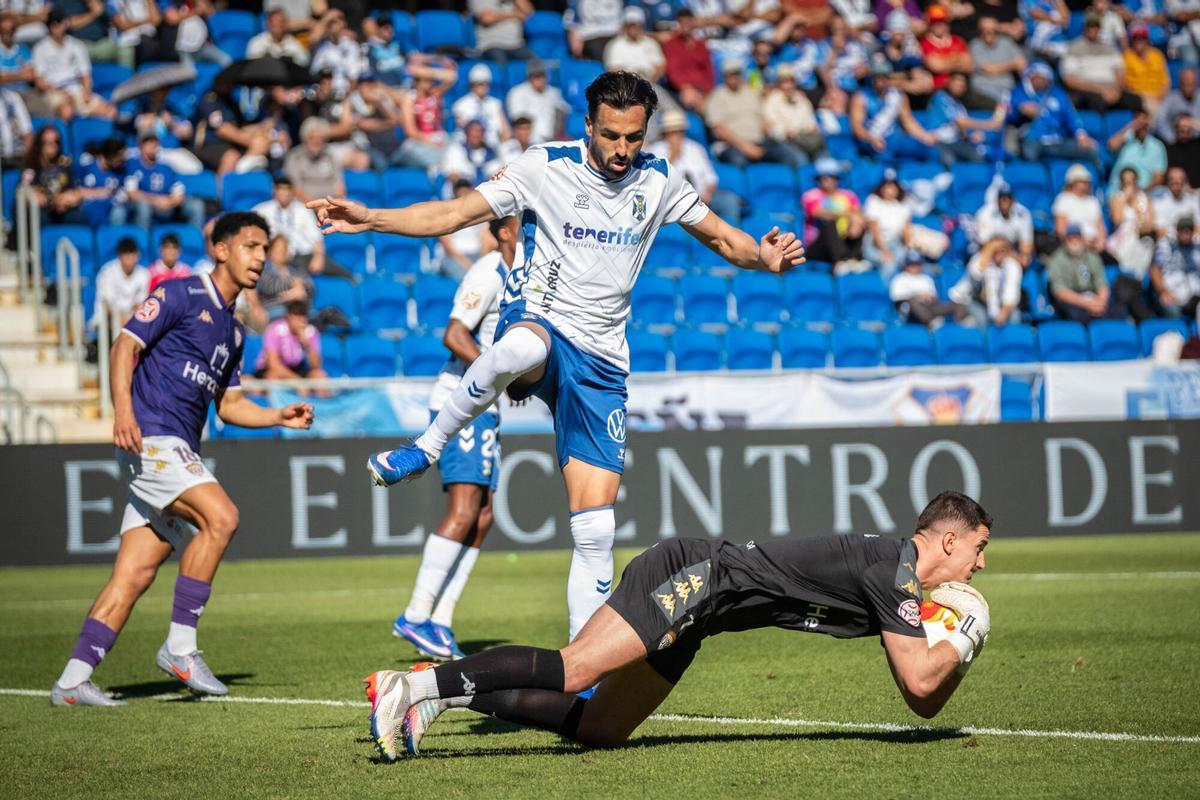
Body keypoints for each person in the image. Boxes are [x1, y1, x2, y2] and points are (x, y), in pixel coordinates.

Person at [310, 71, 805, 643]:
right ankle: (426, 447)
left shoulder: (661, 180)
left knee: (596, 530)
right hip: (543, 322)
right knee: (516, 345)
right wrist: (370, 217)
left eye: (634, 138)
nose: (623, 149)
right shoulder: (543, 166)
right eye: (612, 135)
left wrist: (764, 258)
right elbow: (453, 214)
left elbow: (723, 238)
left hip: (602, 362)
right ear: (589, 125)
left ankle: (581, 668)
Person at [363, 490, 994, 759]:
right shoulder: (895, 572)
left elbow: (926, 706)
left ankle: (441, 688)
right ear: (946, 539)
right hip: (695, 575)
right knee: (576, 668)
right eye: (977, 548)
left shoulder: (902, 578)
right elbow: (918, 685)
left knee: (603, 728)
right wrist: (964, 637)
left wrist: (961, 648)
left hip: (705, 613)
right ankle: (411, 690)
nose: (981, 563)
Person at [49, 212, 315, 707]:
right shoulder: (178, 294)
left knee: (135, 572)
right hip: (153, 438)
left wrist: (279, 414)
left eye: (264, 248)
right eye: (251, 246)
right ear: (221, 249)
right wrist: (123, 412)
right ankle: (181, 648)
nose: (260, 258)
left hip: (177, 448)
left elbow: (229, 406)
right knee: (222, 518)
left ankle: (71, 681)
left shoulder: (234, 333)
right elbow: (123, 346)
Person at [393, 215, 520, 662]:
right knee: (465, 508)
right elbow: (454, 334)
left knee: (483, 516)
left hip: (489, 408)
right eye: (526, 222)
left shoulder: (524, 276)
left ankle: (441, 620)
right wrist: (497, 373)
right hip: (460, 400)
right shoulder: (488, 270)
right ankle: (415, 613)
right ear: (503, 230)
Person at [648, 109, 741, 224]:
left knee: (729, 200)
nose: (676, 135)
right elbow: (656, 180)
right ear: (665, 132)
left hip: (702, 198)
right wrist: (673, 155)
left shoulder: (695, 148)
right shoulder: (656, 151)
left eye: (679, 131)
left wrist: (708, 192)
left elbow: (711, 177)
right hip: (673, 200)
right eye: (672, 131)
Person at [707, 58, 804, 167]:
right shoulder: (716, 97)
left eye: (737, 74)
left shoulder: (751, 93)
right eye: (731, 74)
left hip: (759, 142)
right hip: (730, 145)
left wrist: (774, 132)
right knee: (738, 161)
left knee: (787, 155)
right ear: (725, 76)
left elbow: (764, 121)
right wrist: (745, 146)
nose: (734, 77)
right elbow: (718, 129)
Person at [1008, 61, 1103, 172]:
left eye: (1044, 77)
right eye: (1037, 76)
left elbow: (1071, 116)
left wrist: (1081, 135)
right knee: (1029, 154)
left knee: (1091, 150)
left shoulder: (1058, 94)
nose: (1041, 80)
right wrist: (1020, 110)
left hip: (1058, 140)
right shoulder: (1018, 93)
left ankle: (1101, 183)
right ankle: (1038, 182)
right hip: (1033, 140)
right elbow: (1008, 117)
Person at [253, 175, 349, 279]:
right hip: (272, 257)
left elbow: (316, 237)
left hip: (300, 256)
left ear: (293, 191)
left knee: (337, 272)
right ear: (274, 191)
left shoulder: (303, 210)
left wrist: (318, 257)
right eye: (280, 189)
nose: (284, 193)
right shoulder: (262, 210)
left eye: (287, 189)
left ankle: (355, 282)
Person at [30, 9, 115, 121]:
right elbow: (40, 82)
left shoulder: (77, 45)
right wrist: (59, 91)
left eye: (59, 22)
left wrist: (87, 92)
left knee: (110, 111)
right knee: (67, 111)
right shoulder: (40, 49)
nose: (57, 27)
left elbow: (85, 74)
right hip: (54, 92)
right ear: (49, 26)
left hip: (77, 89)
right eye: (53, 23)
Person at [850, 61, 938, 161]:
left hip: (893, 138)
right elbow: (857, 127)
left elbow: (908, 121)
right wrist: (871, 139)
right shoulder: (861, 97)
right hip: (870, 140)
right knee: (883, 154)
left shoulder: (897, 96)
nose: (880, 81)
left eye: (883, 77)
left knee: (928, 149)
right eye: (877, 77)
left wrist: (925, 136)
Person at [1060, 9, 1143, 112]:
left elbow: (1120, 73)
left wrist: (1116, 90)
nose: (1092, 29)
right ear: (1085, 27)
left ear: (1100, 28)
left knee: (1136, 100)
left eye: (1095, 25)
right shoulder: (1074, 48)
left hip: (1112, 89)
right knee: (1097, 101)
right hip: (1088, 90)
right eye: (1090, 25)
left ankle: (1136, 127)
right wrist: (1100, 89)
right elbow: (1070, 80)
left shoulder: (1110, 47)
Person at [124, 131, 205, 230]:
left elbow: (179, 192)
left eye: (154, 141)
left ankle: (194, 239)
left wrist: (171, 201)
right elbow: (132, 193)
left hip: (168, 204)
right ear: (141, 145)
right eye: (148, 142)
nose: (152, 145)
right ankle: (143, 241)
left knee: (196, 205)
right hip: (147, 204)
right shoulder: (133, 165)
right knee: (143, 207)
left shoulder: (165, 167)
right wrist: (156, 200)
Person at [926, 71, 1006, 166]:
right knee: (950, 159)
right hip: (939, 142)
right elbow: (960, 122)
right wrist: (989, 124)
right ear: (949, 83)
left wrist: (970, 136)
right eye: (956, 83)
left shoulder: (959, 105)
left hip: (956, 143)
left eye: (962, 85)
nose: (959, 87)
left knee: (983, 156)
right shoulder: (941, 97)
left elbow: (960, 130)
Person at [1047, 224, 1123, 322]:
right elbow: (1060, 292)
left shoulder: (1092, 256)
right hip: (1073, 298)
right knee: (1078, 316)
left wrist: (1101, 302)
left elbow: (1101, 283)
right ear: (1065, 240)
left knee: (1118, 311)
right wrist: (1086, 303)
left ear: (1082, 239)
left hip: (1093, 295)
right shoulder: (1057, 259)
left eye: (1077, 238)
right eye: (1070, 239)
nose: (1074, 241)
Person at [801, 157, 866, 269]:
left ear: (836, 178)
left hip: (845, 239)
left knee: (860, 223)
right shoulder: (811, 195)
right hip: (818, 246)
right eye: (823, 177)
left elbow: (859, 213)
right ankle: (840, 261)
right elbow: (817, 212)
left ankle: (854, 259)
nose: (826, 180)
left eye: (830, 177)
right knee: (830, 224)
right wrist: (848, 215)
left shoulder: (849, 195)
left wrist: (856, 223)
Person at [762, 64, 827, 165]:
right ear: (779, 83)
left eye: (790, 81)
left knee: (823, 156)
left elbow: (810, 123)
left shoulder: (802, 99)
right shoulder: (772, 100)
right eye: (784, 82)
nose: (788, 86)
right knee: (800, 159)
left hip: (804, 139)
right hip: (784, 142)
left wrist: (811, 129)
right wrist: (785, 133)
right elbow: (769, 127)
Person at [20, 124, 86, 225]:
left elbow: (73, 191)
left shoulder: (65, 163)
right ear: (40, 144)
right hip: (42, 209)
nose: (53, 146)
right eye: (48, 142)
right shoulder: (32, 164)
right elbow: (23, 192)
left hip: (62, 208)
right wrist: (45, 200)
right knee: (41, 217)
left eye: (56, 142)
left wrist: (67, 199)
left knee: (79, 217)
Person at [951, 237, 1022, 327]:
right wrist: (989, 250)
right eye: (995, 250)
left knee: (1015, 316)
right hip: (972, 300)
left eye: (1002, 250)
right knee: (982, 319)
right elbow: (976, 274)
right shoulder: (978, 259)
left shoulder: (1012, 265)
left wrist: (1003, 313)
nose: (999, 254)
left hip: (1000, 304)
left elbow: (1011, 292)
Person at [254, 300, 328, 382]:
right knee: (273, 377)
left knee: (320, 376)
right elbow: (273, 364)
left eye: (303, 318)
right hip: (272, 370)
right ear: (288, 316)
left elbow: (316, 366)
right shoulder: (275, 330)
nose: (300, 322)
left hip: (297, 369)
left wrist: (307, 346)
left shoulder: (311, 332)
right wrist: (296, 381)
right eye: (297, 317)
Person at [890, 250, 970, 325]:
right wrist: (917, 297)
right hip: (911, 309)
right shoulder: (899, 278)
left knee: (959, 304)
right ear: (906, 265)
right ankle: (931, 323)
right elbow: (897, 297)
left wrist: (928, 297)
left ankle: (958, 327)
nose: (915, 267)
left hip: (929, 306)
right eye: (911, 264)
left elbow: (933, 295)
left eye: (917, 264)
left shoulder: (926, 278)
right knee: (912, 303)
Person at [1108, 165, 1158, 278]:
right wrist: (1126, 198)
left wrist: (1140, 226)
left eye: (1132, 181)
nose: (1129, 184)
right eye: (1126, 182)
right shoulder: (1117, 198)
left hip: (1143, 237)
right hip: (1123, 239)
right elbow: (1117, 220)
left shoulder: (1145, 198)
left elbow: (1151, 223)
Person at [91, 236, 150, 332]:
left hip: (132, 320)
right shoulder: (107, 272)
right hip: (106, 321)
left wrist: (129, 318)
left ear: (138, 254)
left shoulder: (144, 274)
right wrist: (120, 317)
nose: (129, 256)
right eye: (125, 252)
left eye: (132, 252)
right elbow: (107, 304)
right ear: (119, 255)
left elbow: (140, 303)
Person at [662, 9, 715, 114]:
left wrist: (707, 92)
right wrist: (685, 88)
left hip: (703, 90)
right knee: (691, 101)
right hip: (683, 90)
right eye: (682, 22)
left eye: (688, 22)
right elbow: (673, 71)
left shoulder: (701, 45)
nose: (685, 25)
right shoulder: (671, 44)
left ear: (693, 23)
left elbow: (708, 71)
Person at [862, 172, 912, 278]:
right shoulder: (873, 200)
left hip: (896, 242)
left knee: (913, 263)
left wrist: (909, 250)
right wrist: (885, 251)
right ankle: (888, 293)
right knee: (889, 265)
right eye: (886, 185)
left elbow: (906, 229)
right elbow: (874, 230)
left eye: (892, 186)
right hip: (875, 244)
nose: (889, 189)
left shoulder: (903, 204)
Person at [285, 117, 345, 205]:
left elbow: (339, 188)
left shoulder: (331, 156)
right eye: (312, 137)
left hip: (330, 204)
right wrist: (317, 206)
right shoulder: (295, 157)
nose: (316, 141)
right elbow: (295, 189)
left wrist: (332, 205)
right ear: (305, 138)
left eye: (320, 138)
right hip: (304, 205)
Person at [451, 63, 511, 150]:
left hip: (493, 147)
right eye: (479, 83)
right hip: (469, 147)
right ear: (472, 85)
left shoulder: (495, 103)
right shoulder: (461, 104)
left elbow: (506, 132)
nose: (483, 86)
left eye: (485, 83)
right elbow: (463, 131)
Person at [506, 61, 568, 145]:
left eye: (542, 75)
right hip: (527, 141)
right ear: (529, 77)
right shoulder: (517, 92)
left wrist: (555, 136)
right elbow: (519, 121)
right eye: (535, 76)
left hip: (551, 139)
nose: (539, 79)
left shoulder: (554, 92)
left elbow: (562, 113)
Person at [1106, 109, 1168, 194]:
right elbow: (1111, 145)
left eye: (1145, 120)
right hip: (1119, 189)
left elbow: (1158, 177)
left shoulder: (1157, 146)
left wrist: (1143, 192)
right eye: (1138, 120)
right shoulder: (1125, 139)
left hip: (1145, 191)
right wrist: (1131, 127)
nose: (1142, 124)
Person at [1150, 215, 1200, 317]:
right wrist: (1163, 291)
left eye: (1189, 231)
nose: (1186, 235)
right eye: (1183, 231)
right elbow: (1155, 270)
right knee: (1172, 310)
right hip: (1172, 293)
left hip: (1194, 295)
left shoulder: (1196, 247)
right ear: (1177, 231)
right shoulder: (1166, 245)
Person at [974, 183, 1034, 268]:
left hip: (1011, 255)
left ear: (1013, 200)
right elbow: (985, 245)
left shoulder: (1023, 214)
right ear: (997, 200)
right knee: (977, 268)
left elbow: (1026, 250)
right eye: (1001, 198)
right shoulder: (986, 213)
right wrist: (1001, 247)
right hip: (989, 255)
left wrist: (1006, 253)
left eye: (1007, 198)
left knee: (1014, 266)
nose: (1004, 201)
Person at [969, 16, 1025, 104]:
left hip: (1008, 89)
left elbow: (1022, 64)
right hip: (984, 91)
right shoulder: (975, 45)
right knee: (1011, 105)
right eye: (984, 29)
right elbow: (991, 69)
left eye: (992, 30)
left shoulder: (1007, 42)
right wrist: (1013, 65)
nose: (988, 32)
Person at [1052, 164, 1107, 255]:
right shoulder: (1063, 199)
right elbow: (1061, 229)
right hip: (1073, 244)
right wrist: (1082, 241)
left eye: (1086, 182)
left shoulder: (1093, 201)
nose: (1084, 184)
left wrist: (1100, 242)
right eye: (1081, 181)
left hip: (1094, 245)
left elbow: (1100, 227)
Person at [603, 6, 665, 81]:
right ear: (625, 26)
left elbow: (661, 66)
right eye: (631, 25)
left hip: (651, 82)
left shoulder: (651, 43)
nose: (634, 28)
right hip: (625, 84)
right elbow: (613, 69)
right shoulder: (615, 45)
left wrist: (651, 79)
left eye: (637, 24)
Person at [919, 4, 972, 91]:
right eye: (934, 22)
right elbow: (935, 66)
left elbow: (968, 65)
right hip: (938, 89)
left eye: (942, 21)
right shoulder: (924, 43)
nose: (938, 25)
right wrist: (957, 59)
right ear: (929, 24)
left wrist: (943, 62)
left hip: (961, 90)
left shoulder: (958, 40)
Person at [1123, 23, 1171, 116]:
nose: (1139, 41)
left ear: (1147, 39)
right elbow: (1126, 87)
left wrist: (1160, 96)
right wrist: (1145, 96)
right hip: (1139, 98)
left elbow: (1166, 82)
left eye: (1142, 38)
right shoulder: (1127, 56)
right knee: (1156, 111)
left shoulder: (1157, 55)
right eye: (1136, 38)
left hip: (1160, 97)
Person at [1153, 67, 1199, 144]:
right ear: (1179, 83)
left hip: (1196, 142)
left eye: (1191, 84)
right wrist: (1172, 138)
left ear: (1196, 83)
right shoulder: (1171, 98)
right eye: (1185, 84)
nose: (1188, 88)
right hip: (1175, 143)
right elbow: (1161, 121)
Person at [1151, 166, 1200, 237]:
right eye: (1174, 182)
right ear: (1168, 182)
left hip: (1192, 242)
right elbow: (1160, 231)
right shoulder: (1159, 202)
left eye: (1180, 181)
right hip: (1169, 244)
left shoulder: (1193, 200)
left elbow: (1198, 225)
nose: (1177, 186)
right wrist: (1181, 236)